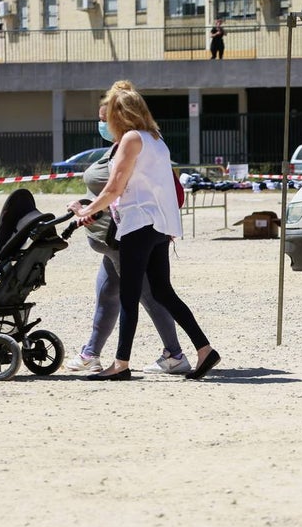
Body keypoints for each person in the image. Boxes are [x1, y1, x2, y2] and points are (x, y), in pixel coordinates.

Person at [69, 80, 220, 381]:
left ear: (119, 114)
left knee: (129, 296)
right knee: (162, 291)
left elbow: (114, 188)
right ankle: (204, 349)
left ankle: (121, 364)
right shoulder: (156, 139)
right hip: (159, 225)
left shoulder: (131, 139)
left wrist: (86, 211)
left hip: (138, 223)